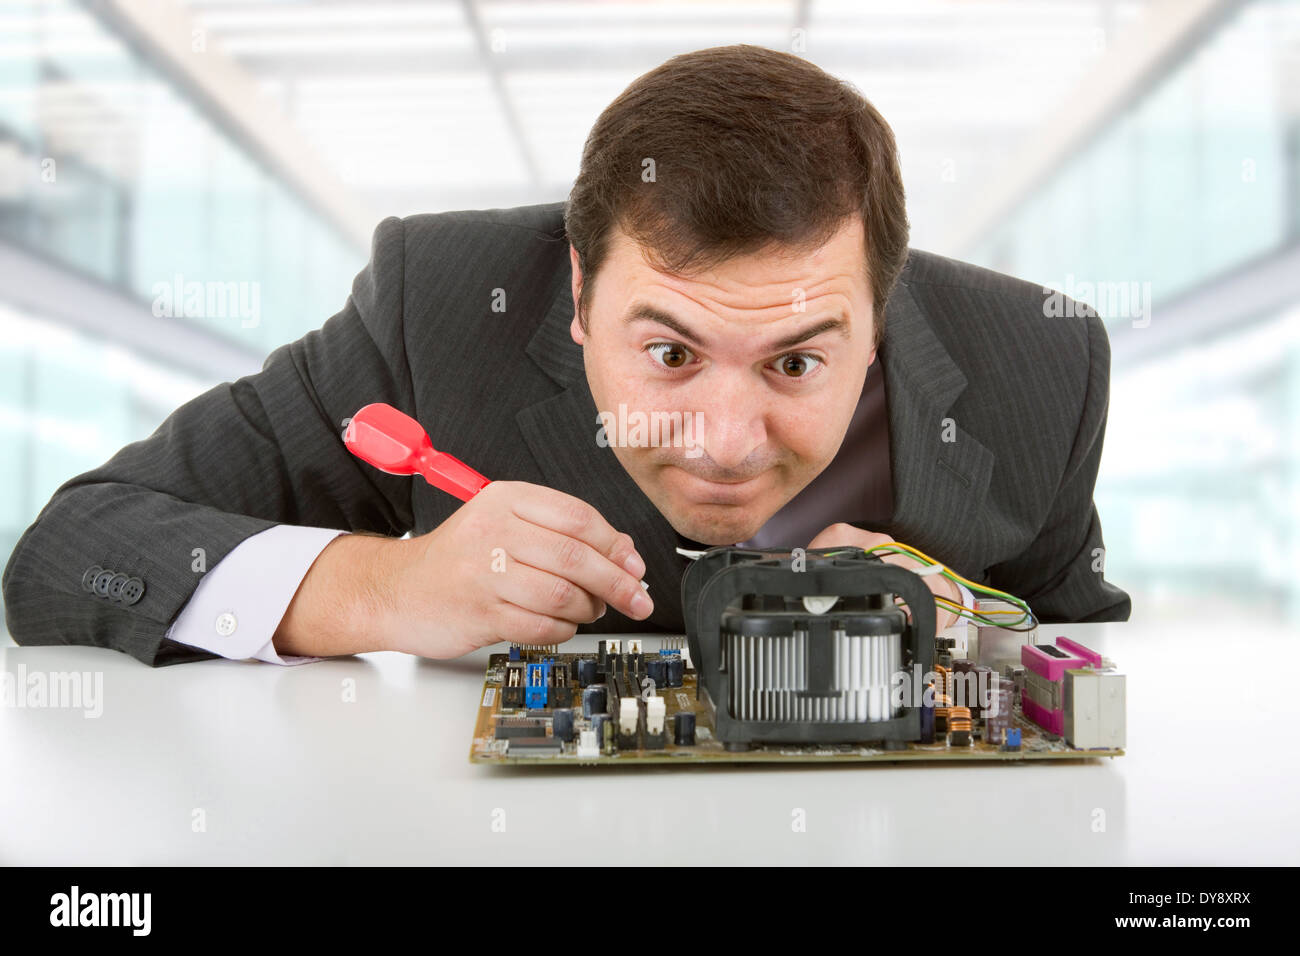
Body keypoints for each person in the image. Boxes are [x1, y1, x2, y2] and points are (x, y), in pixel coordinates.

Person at [1, 45, 1130, 668]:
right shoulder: (440, 309)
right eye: (671, 351)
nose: (726, 445)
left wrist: (967, 616)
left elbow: (1074, 654)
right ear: (581, 294)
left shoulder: (1042, 367)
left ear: (877, 317)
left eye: (795, 363)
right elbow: (71, 547)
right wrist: (383, 583)